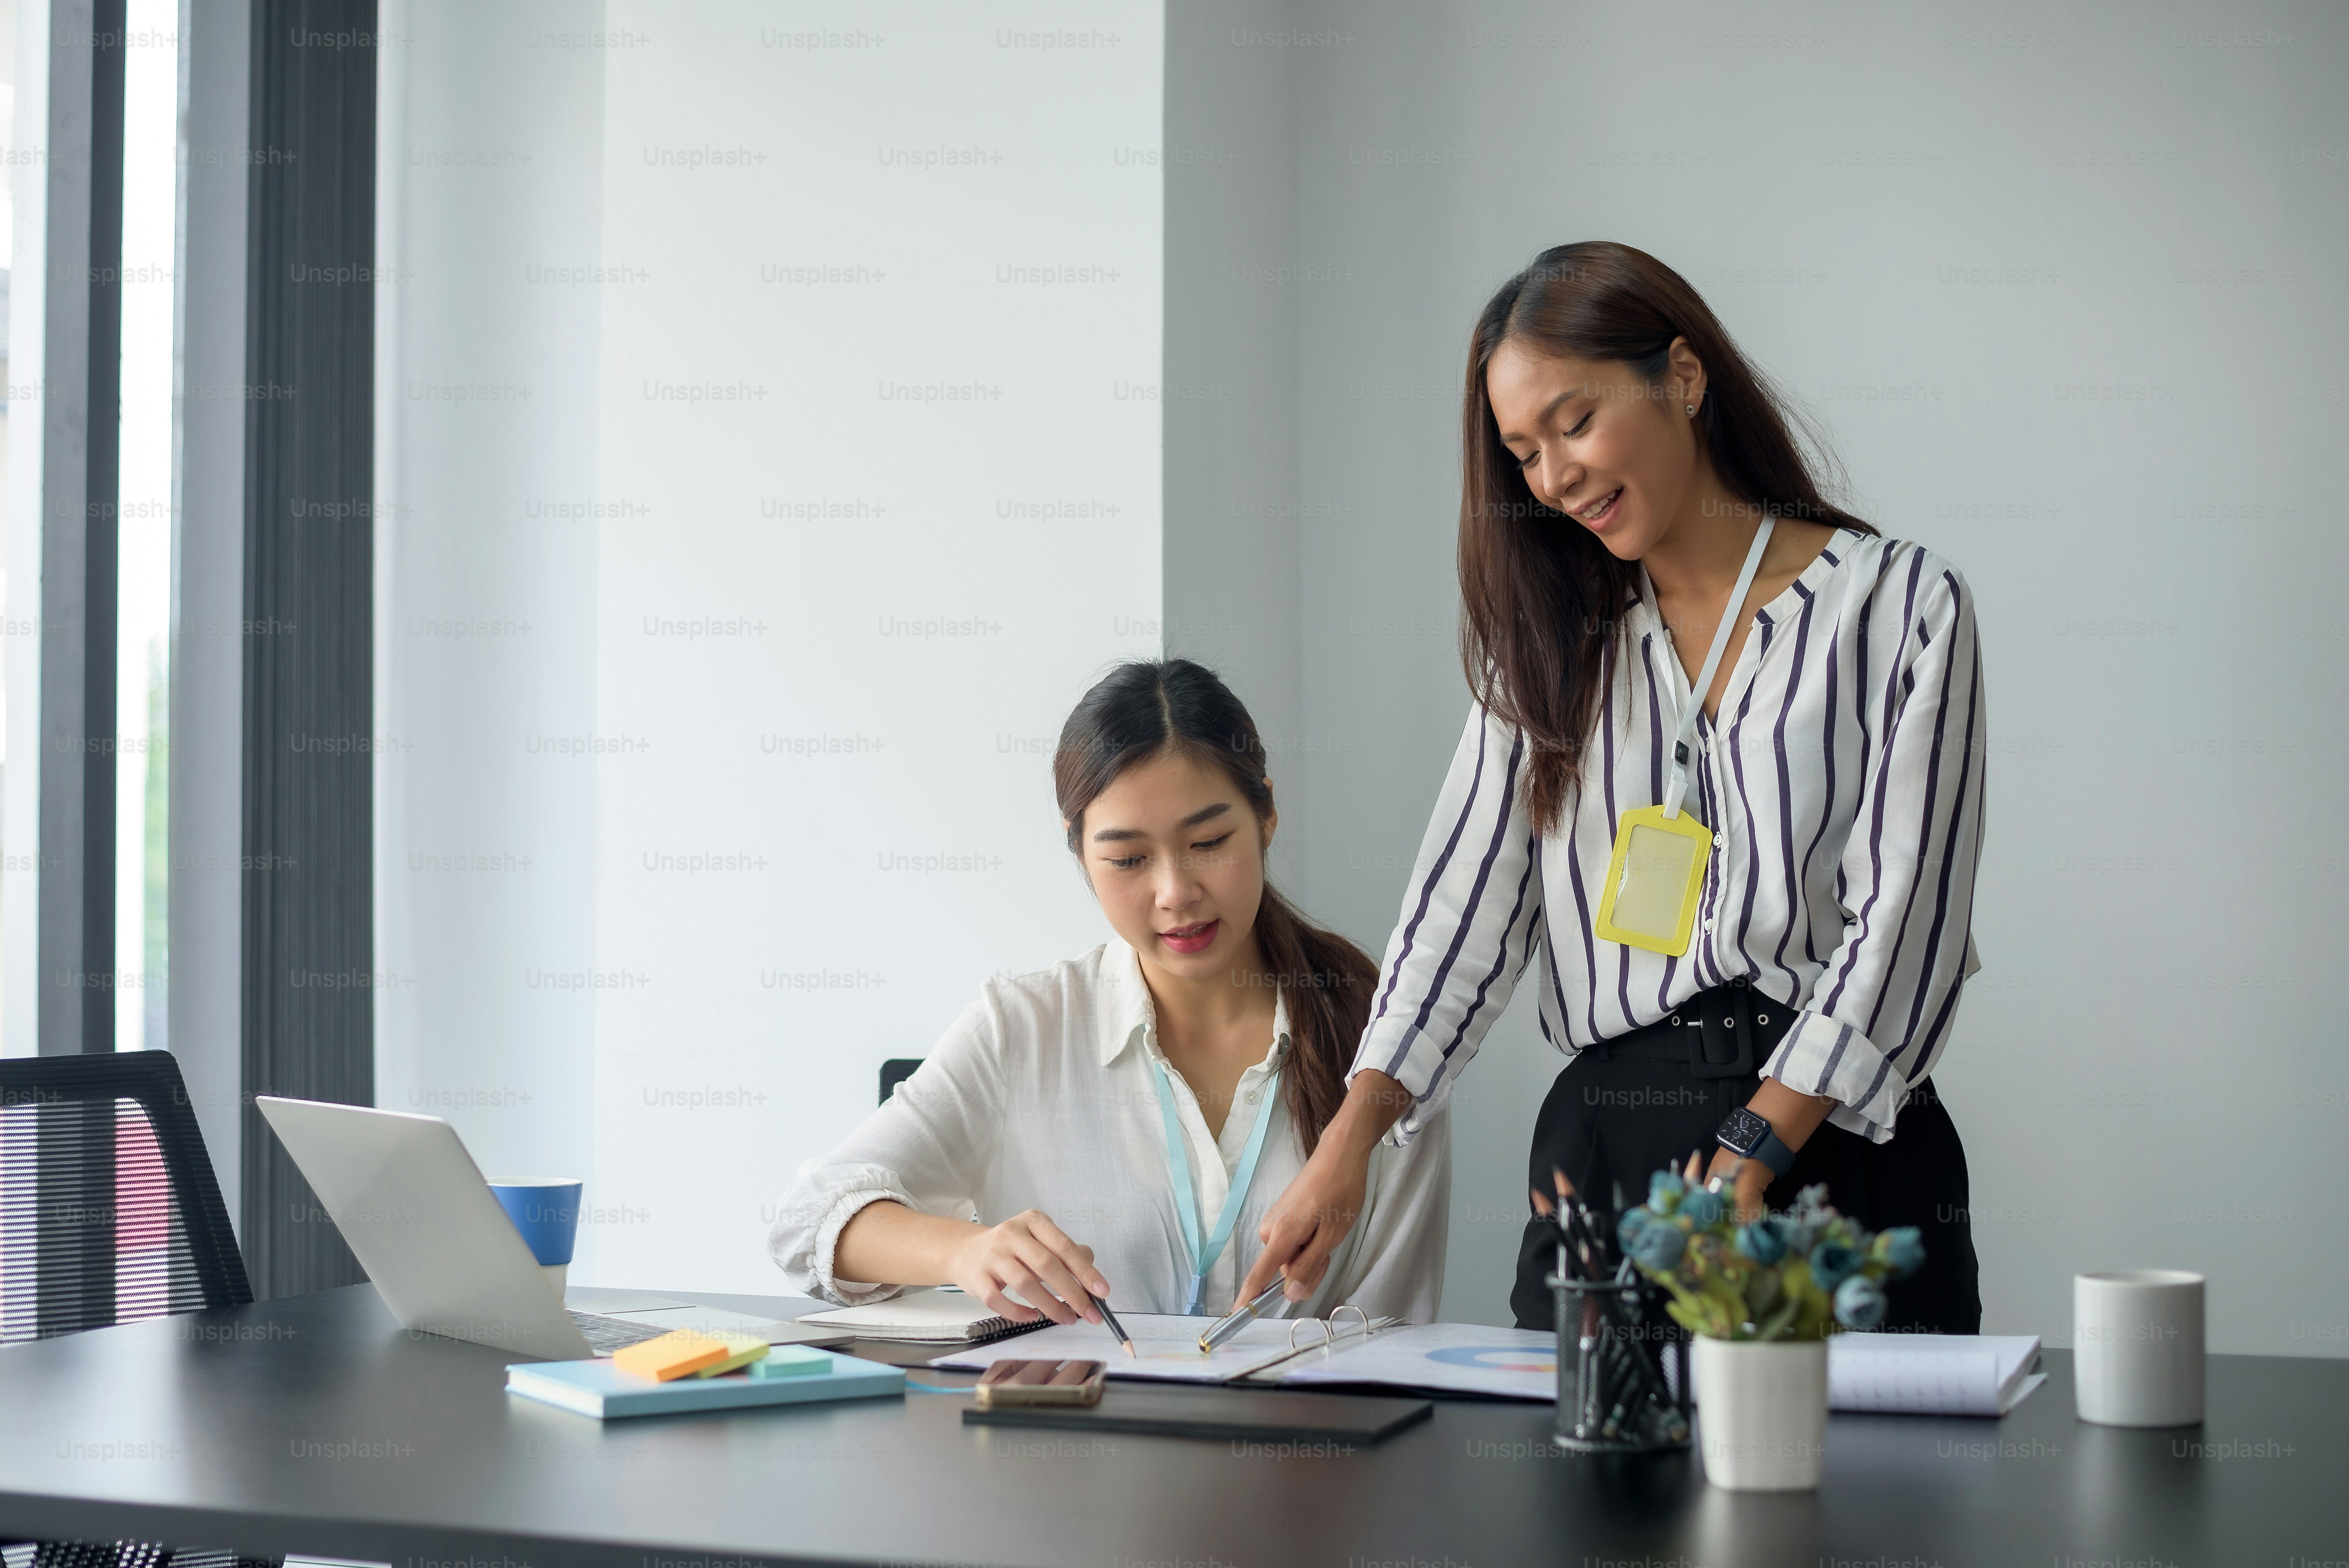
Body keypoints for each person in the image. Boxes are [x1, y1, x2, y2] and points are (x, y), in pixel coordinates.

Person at [1240, 240, 1985, 1333]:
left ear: (1682, 377)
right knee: (1589, 1502)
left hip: (1835, 1150)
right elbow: (1461, 915)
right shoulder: (1547, 649)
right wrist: (1345, 1149)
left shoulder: (1896, 606)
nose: (1551, 477)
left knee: (1864, 1499)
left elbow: (1907, 925)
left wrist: (1752, 1147)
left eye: (1574, 423)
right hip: (1611, 1162)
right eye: (1522, 452)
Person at [768, 659, 1448, 1326]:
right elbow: (805, 1223)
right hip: (1076, 1434)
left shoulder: (1385, 1040)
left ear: (1266, 814)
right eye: (1128, 859)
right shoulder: (1023, 1028)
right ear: (1080, 851)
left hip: (1317, 1437)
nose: (1176, 892)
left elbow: (1391, 1331)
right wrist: (967, 1249)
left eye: (1209, 841)